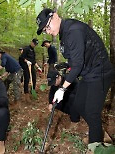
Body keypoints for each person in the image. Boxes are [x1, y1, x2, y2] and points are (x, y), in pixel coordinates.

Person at [36, 8, 115, 151]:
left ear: (55, 16)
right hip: (88, 73)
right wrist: (67, 65)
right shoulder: (64, 34)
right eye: (44, 30)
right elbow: (76, 59)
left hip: (100, 73)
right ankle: (100, 133)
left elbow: (78, 65)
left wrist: (62, 88)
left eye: (47, 26)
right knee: (78, 105)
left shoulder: (73, 30)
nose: (47, 31)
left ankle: (95, 146)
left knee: (92, 112)